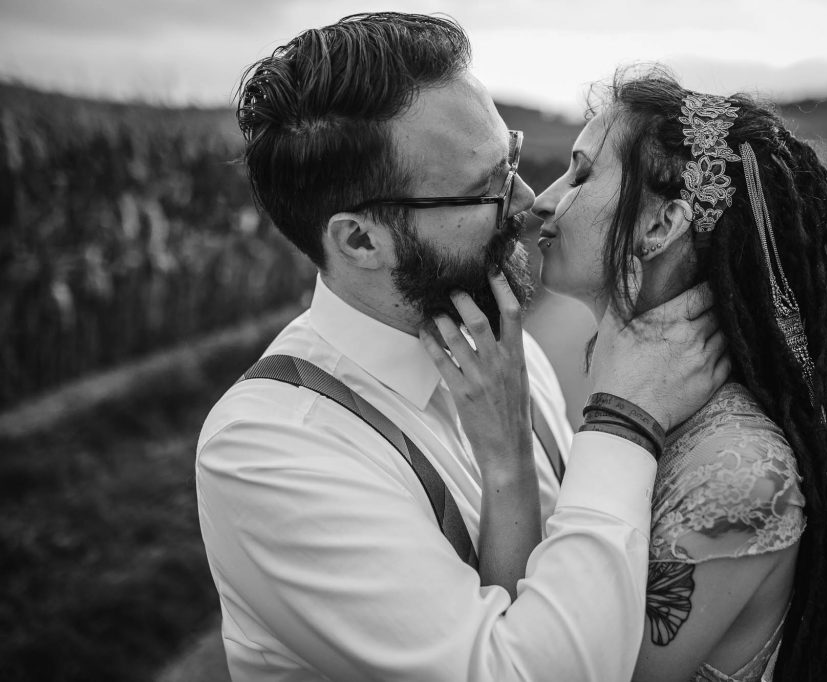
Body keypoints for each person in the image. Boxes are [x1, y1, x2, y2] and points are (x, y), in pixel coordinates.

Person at [196, 14, 730, 682]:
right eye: (485, 189)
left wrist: (510, 465)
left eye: (510, 159)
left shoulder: (494, 340)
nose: (528, 201)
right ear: (361, 240)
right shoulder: (271, 450)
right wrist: (622, 424)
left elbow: (550, 594)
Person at [457, 67, 827, 681]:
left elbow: (547, 666)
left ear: (660, 225)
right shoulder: (655, 396)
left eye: (582, 175)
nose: (543, 199)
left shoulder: (741, 475)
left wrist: (517, 454)